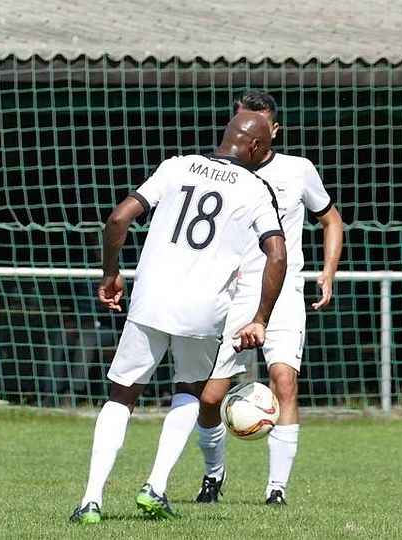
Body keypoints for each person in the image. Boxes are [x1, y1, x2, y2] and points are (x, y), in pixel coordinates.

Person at [69, 111, 288, 524]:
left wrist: (110, 273)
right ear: (256, 146)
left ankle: (91, 500)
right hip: (204, 309)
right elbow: (277, 254)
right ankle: (155, 486)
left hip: (151, 299)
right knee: (189, 390)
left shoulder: (177, 166)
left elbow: (119, 218)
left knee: (122, 396)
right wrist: (260, 317)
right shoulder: (256, 189)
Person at [194, 92, 344, 506]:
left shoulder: (298, 170)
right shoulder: (219, 174)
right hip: (232, 296)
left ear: (273, 131)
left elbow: (331, 219)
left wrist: (327, 272)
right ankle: (213, 475)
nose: (249, 133)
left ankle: (276, 489)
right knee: (210, 396)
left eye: (258, 125)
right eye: (242, 123)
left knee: (285, 383)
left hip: (284, 294)